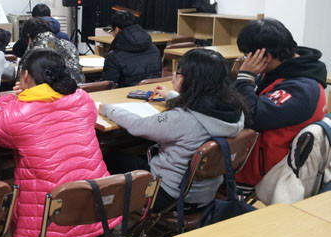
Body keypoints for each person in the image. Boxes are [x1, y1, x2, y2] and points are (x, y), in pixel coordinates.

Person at [0, 48, 118, 237]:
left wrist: (11, 98)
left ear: (26, 75)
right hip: (101, 221)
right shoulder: (82, 99)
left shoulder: (17, 113)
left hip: (48, 236)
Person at [100, 48, 247, 211]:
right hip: (205, 192)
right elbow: (200, 106)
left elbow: (137, 126)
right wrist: (172, 95)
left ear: (192, 80)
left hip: (168, 194)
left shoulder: (182, 119)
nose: (173, 76)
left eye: (178, 73)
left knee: (109, 156)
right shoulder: (235, 111)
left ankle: (110, 211)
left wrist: (108, 109)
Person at [233, 18, 327, 186]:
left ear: (266, 57)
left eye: (247, 55)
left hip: (267, 173)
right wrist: (240, 78)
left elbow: (252, 116)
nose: (245, 60)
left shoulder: (302, 89)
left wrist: (245, 77)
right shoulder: (282, 72)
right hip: (256, 157)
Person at [100, 11, 162, 87]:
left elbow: (108, 85)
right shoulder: (154, 48)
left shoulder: (114, 55)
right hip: (154, 91)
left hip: (126, 93)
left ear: (117, 29)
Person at [19, 17, 85, 84]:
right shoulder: (69, 45)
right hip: (79, 88)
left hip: (53, 90)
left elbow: (21, 81)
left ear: (28, 36)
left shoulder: (33, 53)